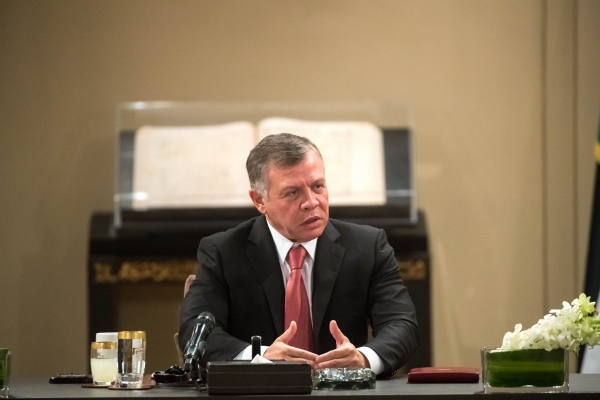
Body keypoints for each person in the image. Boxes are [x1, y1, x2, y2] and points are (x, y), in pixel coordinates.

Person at [179, 133, 419, 378]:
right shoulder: (223, 251)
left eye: (318, 186)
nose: (311, 202)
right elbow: (193, 331)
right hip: (257, 393)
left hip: (342, 392)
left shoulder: (368, 247)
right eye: (292, 192)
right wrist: (260, 357)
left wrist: (363, 358)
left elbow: (402, 324)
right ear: (260, 200)